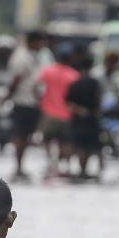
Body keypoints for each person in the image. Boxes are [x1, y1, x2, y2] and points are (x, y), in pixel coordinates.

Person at [6, 31, 47, 181]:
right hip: (23, 102)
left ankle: (20, 167)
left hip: (31, 102)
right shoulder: (22, 57)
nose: (42, 46)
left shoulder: (31, 56)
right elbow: (16, 80)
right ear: (34, 41)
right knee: (21, 136)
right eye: (40, 42)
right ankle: (18, 167)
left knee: (25, 136)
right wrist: (7, 96)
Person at [36, 42, 80, 177]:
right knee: (65, 142)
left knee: (48, 140)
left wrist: (39, 101)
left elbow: (36, 86)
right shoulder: (73, 75)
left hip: (48, 113)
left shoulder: (47, 71)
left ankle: (51, 163)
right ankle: (64, 166)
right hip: (67, 115)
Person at [66, 50, 103, 179]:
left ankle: (80, 170)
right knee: (92, 146)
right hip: (92, 119)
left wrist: (79, 110)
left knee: (80, 146)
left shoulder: (74, 83)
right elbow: (98, 99)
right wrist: (96, 113)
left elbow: (68, 102)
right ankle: (92, 170)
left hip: (78, 119)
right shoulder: (94, 83)